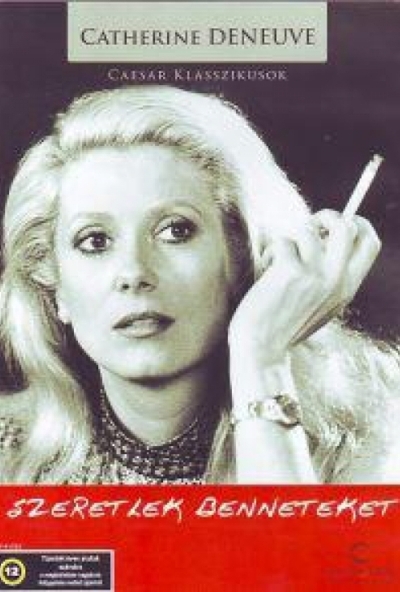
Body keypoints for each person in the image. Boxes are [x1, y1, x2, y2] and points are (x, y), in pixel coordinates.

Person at [0, 85, 399, 484]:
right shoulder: (9, 451)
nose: (134, 272)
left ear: (244, 255)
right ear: (55, 286)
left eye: (176, 231)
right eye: (95, 241)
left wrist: (262, 356)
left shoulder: (377, 448)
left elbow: (279, 531)